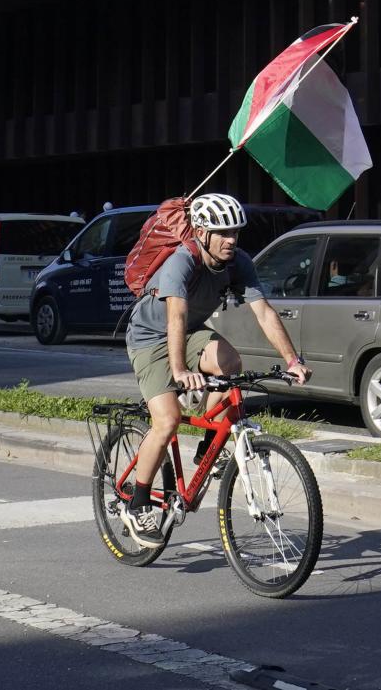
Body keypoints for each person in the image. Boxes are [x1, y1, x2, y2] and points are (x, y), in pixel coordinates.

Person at [119, 192, 311, 546]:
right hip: (150, 338)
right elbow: (174, 314)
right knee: (167, 420)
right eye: (223, 233)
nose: (231, 240)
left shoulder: (239, 262)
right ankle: (137, 501)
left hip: (190, 332)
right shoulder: (182, 261)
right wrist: (179, 370)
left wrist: (292, 360)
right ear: (202, 233)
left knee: (231, 364)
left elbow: (264, 312)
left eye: (235, 232)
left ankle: (209, 448)